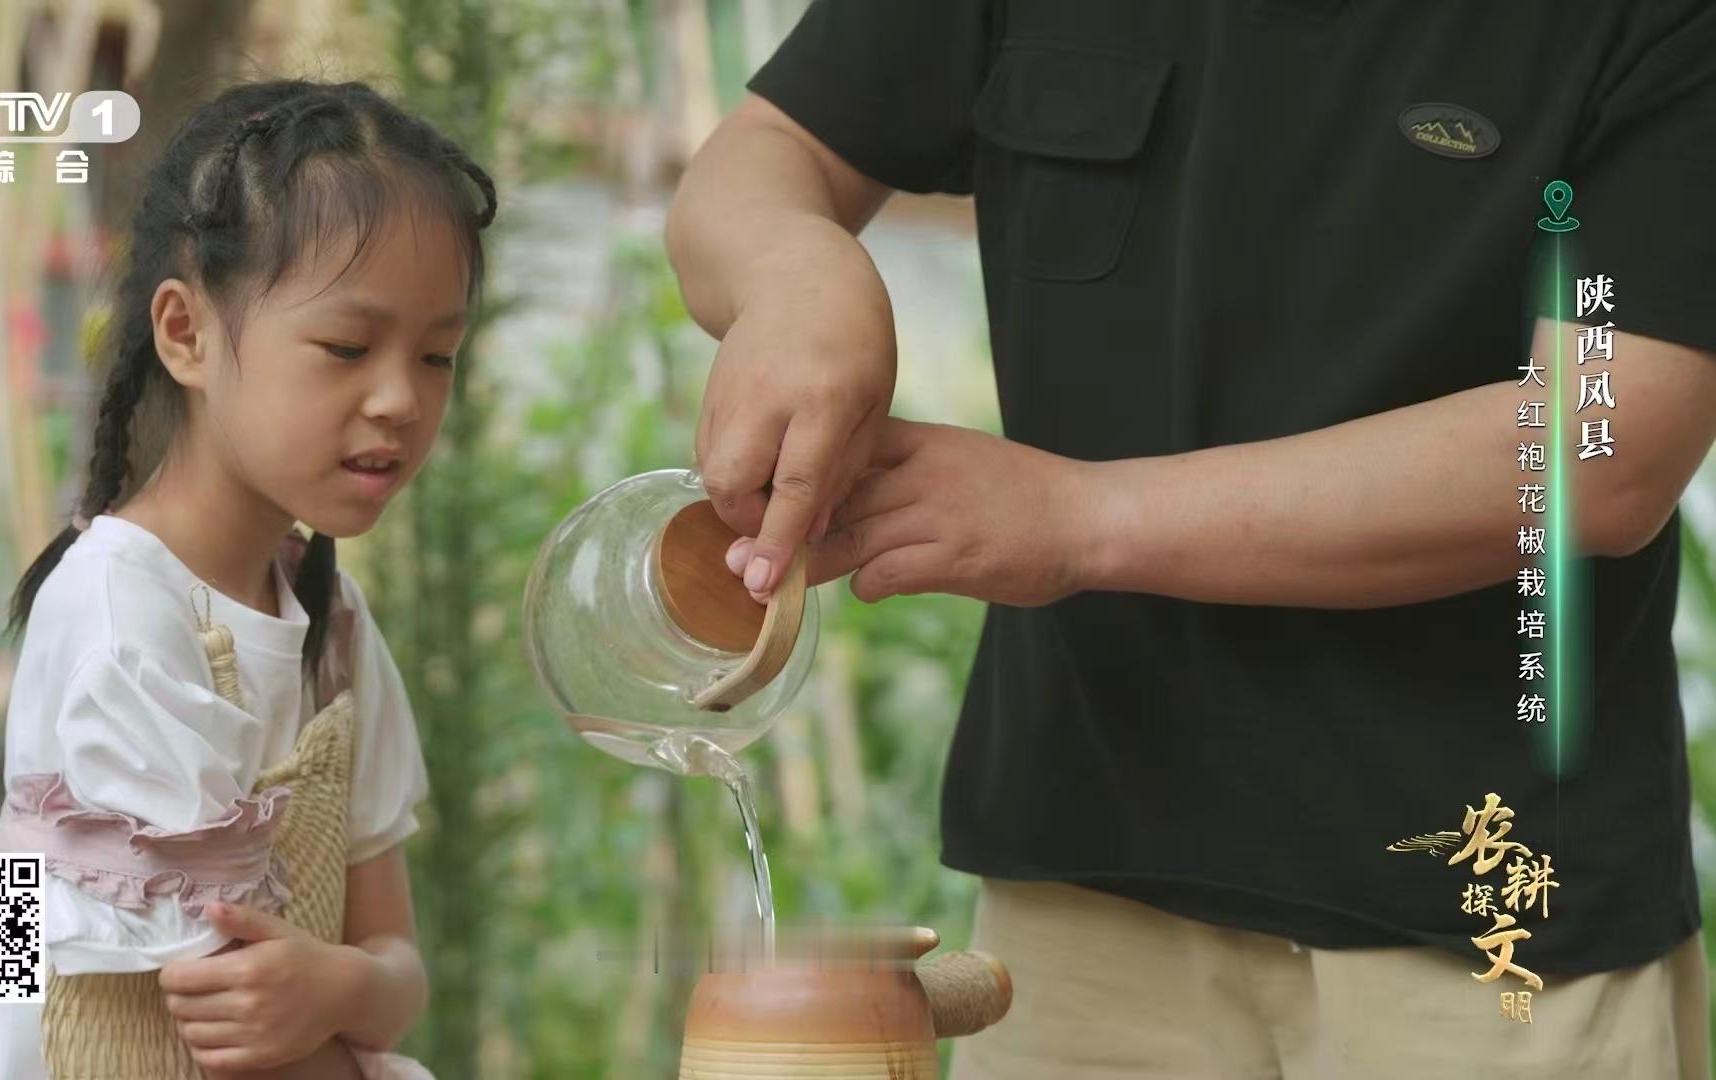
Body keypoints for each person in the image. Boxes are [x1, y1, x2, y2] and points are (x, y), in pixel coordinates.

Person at [665, 1, 1716, 1076]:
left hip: (1487, 913)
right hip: (1084, 878)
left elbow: (1604, 443)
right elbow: (766, 153)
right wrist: (799, 279)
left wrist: (1080, 518)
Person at [0, 78, 495, 1079]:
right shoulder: (111, 602)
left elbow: (397, 972)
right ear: (184, 333)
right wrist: (336, 1000)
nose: (401, 398)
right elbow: (205, 1020)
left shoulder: (335, 625)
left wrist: (345, 988)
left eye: (438, 356)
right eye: (348, 347)